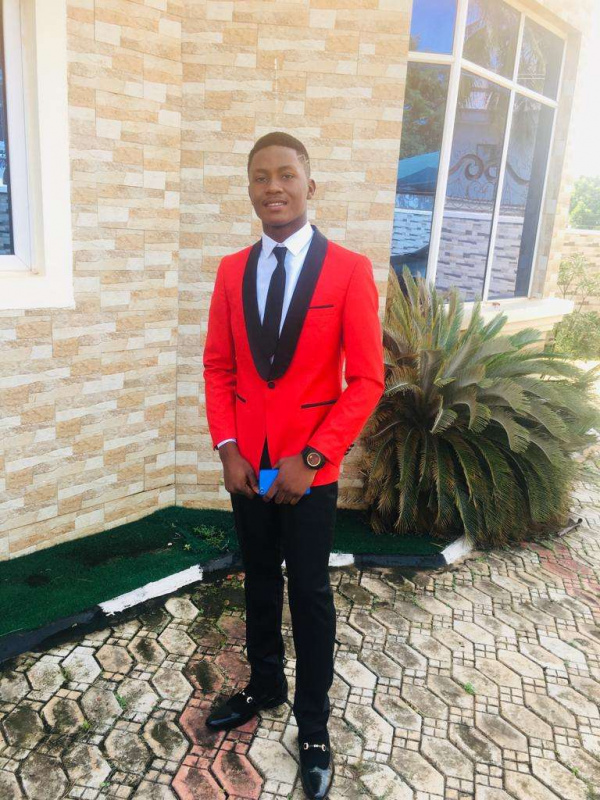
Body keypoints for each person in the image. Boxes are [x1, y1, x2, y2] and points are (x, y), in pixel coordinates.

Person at [202, 131, 384, 799]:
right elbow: (218, 367)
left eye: (285, 174)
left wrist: (312, 457)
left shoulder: (349, 270)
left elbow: (367, 379)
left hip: (308, 471)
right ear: (250, 189)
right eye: (260, 177)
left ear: (311, 185)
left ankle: (313, 725)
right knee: (257, 581)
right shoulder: (231, 270)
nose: (273, 186)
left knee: (308, 593)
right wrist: (228, 447)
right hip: (249, 468)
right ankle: (266, 686)